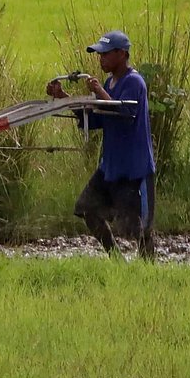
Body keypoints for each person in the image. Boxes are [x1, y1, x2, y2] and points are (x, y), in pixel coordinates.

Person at [46, 30, 156, 256]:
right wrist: (63, 97)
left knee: (138, 229)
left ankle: (148, 268)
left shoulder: (134, 82)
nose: (101, 59)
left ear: (122, 54)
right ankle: (115, 258)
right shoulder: (109, 83)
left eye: (106, 54)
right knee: (87, 208)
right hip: (111, 166)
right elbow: (97, 118)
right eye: (100, 54)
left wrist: (99, 91)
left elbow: (125, 113)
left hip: (134, 169)